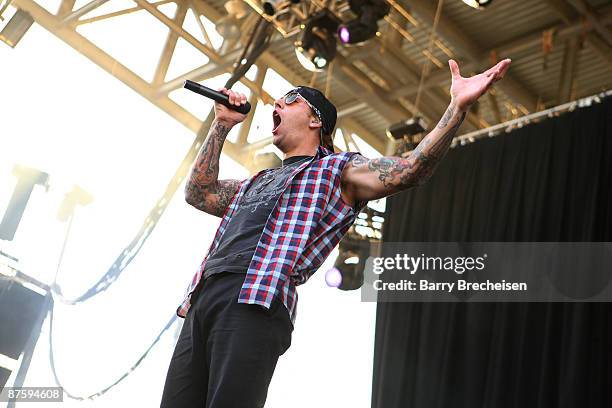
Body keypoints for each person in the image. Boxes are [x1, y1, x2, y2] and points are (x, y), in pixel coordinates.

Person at [160, 58, 511, 408]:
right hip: (203, 296)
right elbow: (199, 192)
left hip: (256, 297)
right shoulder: (257, 180)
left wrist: (456, 107)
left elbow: (410, 170)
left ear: (316, 119)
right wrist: (221, 125)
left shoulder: (338, 170)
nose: (276, 103)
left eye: (291, 98)